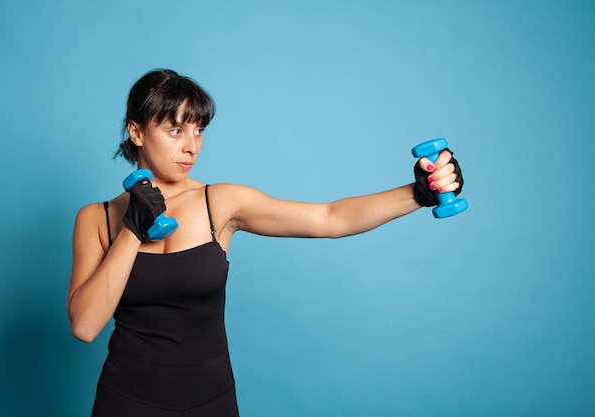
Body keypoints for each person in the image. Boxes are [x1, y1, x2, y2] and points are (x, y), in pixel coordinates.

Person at [67, 69, 464, 417]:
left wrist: (417, 193)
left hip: (211, 400)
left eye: (198, 130)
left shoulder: (220, 203)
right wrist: (132, 232)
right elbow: (85, 326)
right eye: (176, 130)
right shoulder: (96, 219)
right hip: (128, 400)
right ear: (136, 132)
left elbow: (330, 218)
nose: (192, 146)